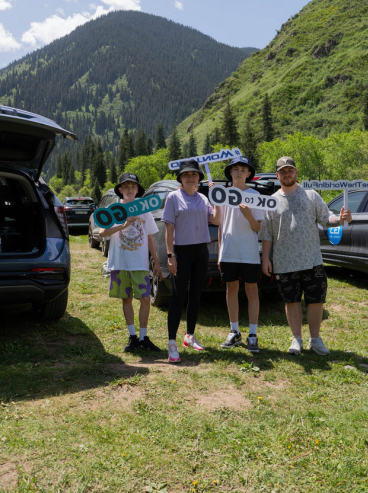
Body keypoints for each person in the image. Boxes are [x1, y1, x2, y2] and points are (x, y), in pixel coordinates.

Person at [261, 157, 352, 355]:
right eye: (283, 171)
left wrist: (340, 219)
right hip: (285, 262)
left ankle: (315, 340)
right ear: (277, 176)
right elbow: (266, 233)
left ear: (296, 173)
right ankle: (297, 339)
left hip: (312, 260)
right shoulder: (271, 201)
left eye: (290, 170)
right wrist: (265, 258)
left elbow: (327, 218)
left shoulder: (311, 195)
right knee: (291, 301)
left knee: (315, 301)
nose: (287, 174)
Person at [162, 159, 221, 363]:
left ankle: (189, 335)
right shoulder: (173, 197)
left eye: (194, 174)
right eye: (186, 175)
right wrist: (170, 255)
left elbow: (216, 220)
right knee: (178, 296)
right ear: (180, 178)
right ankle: (172, 343)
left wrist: (217, 199)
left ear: (198, 178)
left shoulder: (203, 198)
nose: (190, 178)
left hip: (201, 251)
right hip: (181, 252)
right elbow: (169, 229)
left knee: (195, 294)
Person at [99, 172, 163, 353]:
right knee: (126, 299)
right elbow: (102, 233)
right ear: (120, 189)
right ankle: (132, 336)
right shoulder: (114, 209)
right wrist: (123, 225)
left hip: (139, 263)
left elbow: (149, 237)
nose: (129, 189)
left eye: (132, 186)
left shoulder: (144, 209)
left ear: (137, 190)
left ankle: (144, 337)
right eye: (125, 186)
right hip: (120, 263)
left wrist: (156, 262)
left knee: (145, 299)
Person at [217, 156, 264, 353]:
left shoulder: (255, 195)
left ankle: (253, 334)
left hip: (249, 252)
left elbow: (257, 228)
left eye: (243, 169)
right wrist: (220, 252)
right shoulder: (223, 195)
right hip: (228, 251)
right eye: (235, 169)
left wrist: (248, 216)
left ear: (249, 173)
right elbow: (219, 224)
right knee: (231, 290)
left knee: (252, 291)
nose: (239, 172)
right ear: (230, 172)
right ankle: (234, 331)